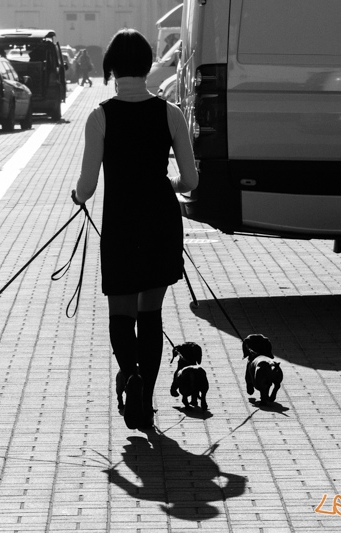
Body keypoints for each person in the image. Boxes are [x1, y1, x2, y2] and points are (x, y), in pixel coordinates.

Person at [72, 29, 198, 430]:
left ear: (111, 66)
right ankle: (147, 391)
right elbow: (191, 180)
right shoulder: (169, 112)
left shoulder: (100, 116)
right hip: (161, 218)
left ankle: (131, 378)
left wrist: (76, 195)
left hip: (122, 221)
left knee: (121, 314)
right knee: (152, 313)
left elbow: (88, 187)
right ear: (147, 65)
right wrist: (172, 187)